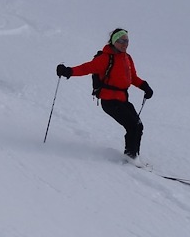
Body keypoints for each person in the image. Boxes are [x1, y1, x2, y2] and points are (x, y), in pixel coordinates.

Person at [57, 28, 153, 159]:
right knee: (132, 126)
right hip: (109, 101)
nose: (125, 44)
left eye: (126, 41)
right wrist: (68, 71)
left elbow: (133, 78)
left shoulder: (127, 58)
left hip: (123, 100)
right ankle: (131, 158)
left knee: (138, 126)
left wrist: (145, 87)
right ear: (114, 41)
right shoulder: (106, 58)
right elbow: (87, 68)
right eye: (121, 41)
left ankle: (134, 157)